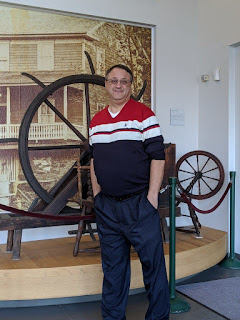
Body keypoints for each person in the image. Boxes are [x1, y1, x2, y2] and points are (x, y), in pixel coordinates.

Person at [89, 64, 170, 320]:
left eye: (124, 81)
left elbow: (158, 156)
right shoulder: (96, 121)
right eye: (113, 80)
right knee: (113, 271)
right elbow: (94, 159)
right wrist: (98, 195)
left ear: (130, 85)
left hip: (139, 205)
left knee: (153, 268)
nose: (118, 85)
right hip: (108, 208)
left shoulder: (144, 114)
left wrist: (152, 198)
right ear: (106, 84)